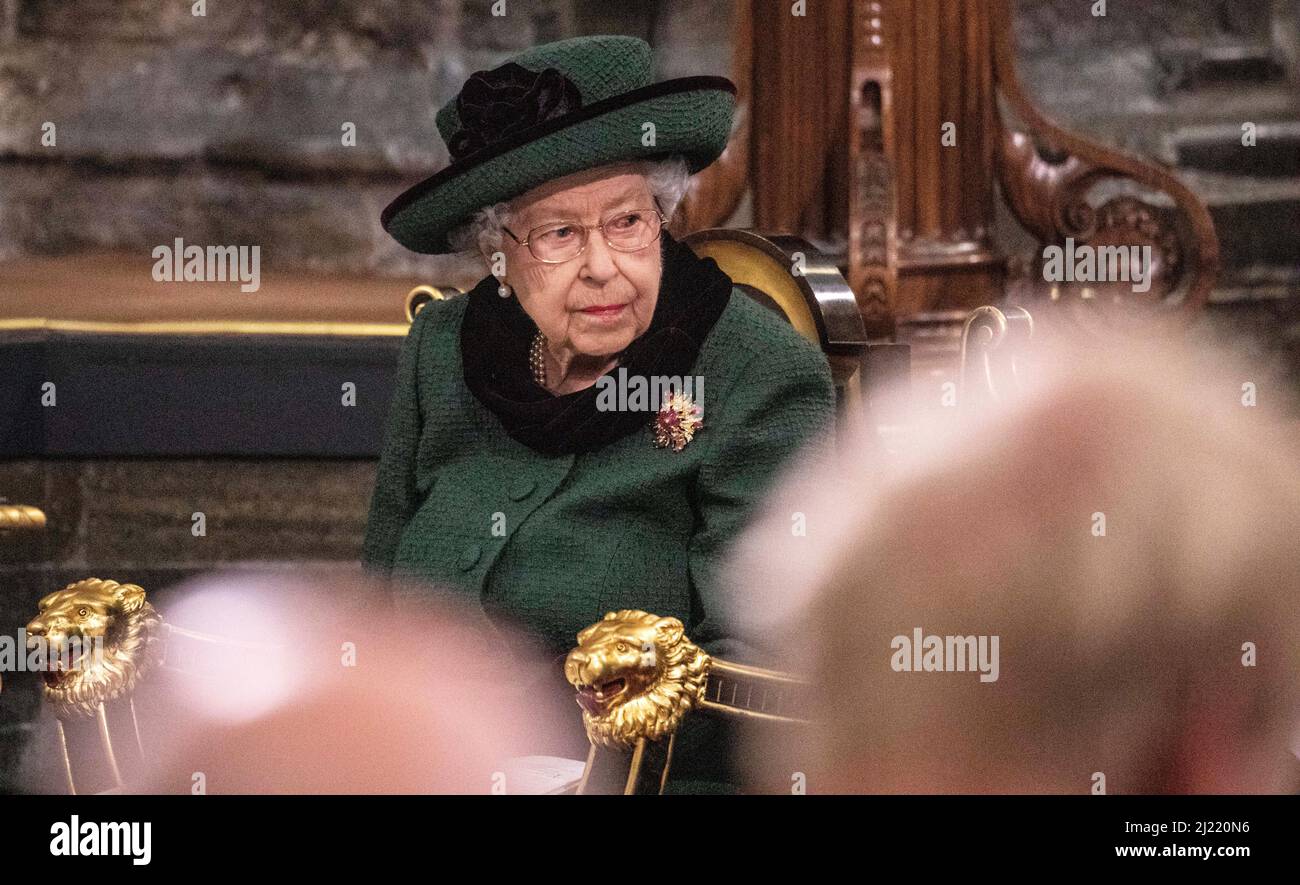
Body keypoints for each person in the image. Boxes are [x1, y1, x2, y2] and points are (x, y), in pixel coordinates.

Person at [361, 35, 836, 792]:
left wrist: (559, 737)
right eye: (559, 234)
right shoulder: (447, 350)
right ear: (497, 252)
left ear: (663, 216)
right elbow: (378, 601)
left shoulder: (757, 374)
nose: (602, 266)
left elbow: (768, 675)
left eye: (626, 222)